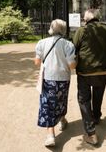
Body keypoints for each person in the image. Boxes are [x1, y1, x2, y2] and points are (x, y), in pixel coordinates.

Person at [73, 8, 106, 145]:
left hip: (84, 71)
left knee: (84, 100)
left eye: (84, 18)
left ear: (87, 19)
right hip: (102, 71)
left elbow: (73, 49)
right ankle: (96, 117)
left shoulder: (81, 31)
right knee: (98, 94)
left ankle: (91, 133)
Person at [34, 19, 76, 147]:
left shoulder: (41, 42)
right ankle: (62, 120)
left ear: (51, 29)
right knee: (61, 101)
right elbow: (72, 66)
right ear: (63, 30)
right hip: (63, 78)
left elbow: (37, 62)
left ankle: (50, 136)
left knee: (47, 105)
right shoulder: (68, 45)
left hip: (48, 78)